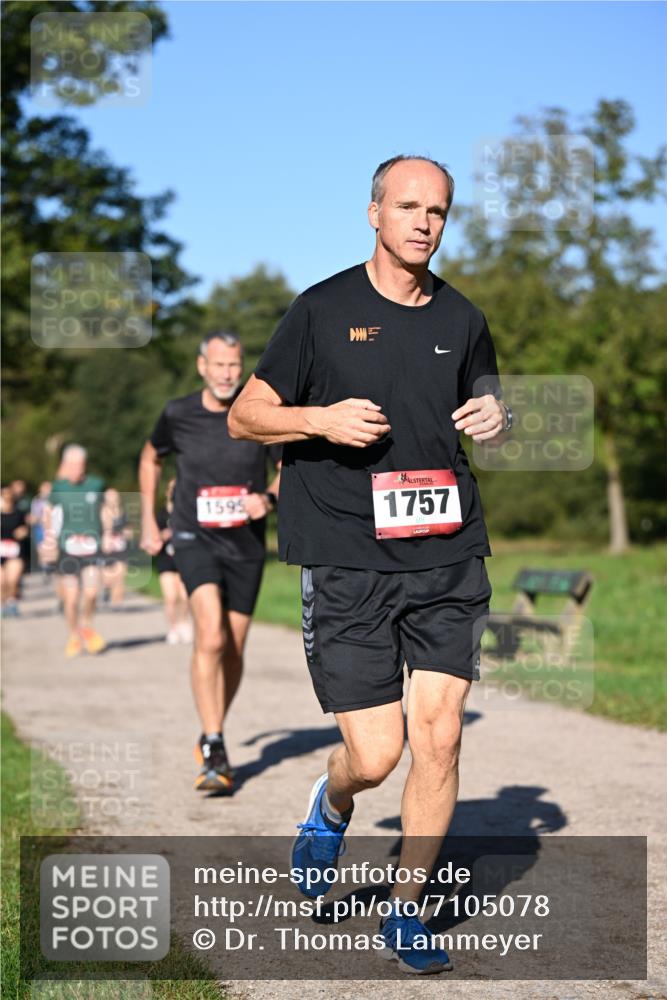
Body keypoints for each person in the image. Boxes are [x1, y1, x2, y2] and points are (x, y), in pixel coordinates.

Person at [228, 155, 511, 974]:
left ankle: (405, 912)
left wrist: (495, 412)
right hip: (349, 555)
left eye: (439, 211)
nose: (423, 222)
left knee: (441, 736)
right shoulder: (320, 311)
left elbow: (482, 400)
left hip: (446, 551)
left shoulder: (462, 317)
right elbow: (248, 417)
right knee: (378, 754)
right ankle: (334, 799)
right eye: (408, 207)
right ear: (373, 213)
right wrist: (319, 419)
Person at [139, 331, 281, 794]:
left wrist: (269, 498)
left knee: (235, 647)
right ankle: (217, 744)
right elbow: (150, 457)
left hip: (245, 544)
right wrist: (147, 519)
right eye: (219, 365)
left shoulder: (257, 414)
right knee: (211, 633)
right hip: (192, 536)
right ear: (202, 366)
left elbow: (286, 468)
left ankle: (209, 727)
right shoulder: (178, 414)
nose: (227, 374)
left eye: (234, 366)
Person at [46, 445, 107, 658]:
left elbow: (105, 510)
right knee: (71, 598)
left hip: (92, 546)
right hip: (67, 548)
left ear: (85, 465)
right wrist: (49, 539)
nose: (75, 469)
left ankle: (86, 626)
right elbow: (49, 514)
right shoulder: (58, 488)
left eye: (79, 464)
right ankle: (73, 635)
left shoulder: (96, 484)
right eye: (71, 464)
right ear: (64, 465)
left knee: (91, 593)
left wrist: (107, 534)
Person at [155, 478, 191, 644]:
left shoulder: (187, 512)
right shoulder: (161, 514)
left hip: (184, 557)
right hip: (166, 558)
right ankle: (173, 627)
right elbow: (153, 536)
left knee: (185, 596)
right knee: (170, 597)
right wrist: (162, 535)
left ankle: (183, 621)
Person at [100, 488, 133, 606]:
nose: (113, 499)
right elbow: (103, 529)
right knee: (108, 578)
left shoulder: (123, 513)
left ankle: (117, 603)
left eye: (115, 496)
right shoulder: (102, 512)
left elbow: (130, 531)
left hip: (121, 548)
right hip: (107, 548)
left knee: (120, 576)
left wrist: (127, 533)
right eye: (110, 496)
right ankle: (106, 590)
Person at [1, 484, 29, 616]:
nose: (7, 496)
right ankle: (2, 604)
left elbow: (26, 528)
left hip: (15, 551)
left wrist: (23, 531)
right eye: (4, 493)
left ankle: (12, 603)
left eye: (9, 493)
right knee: (2, 582)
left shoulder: (19, 513)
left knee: (12, 580)